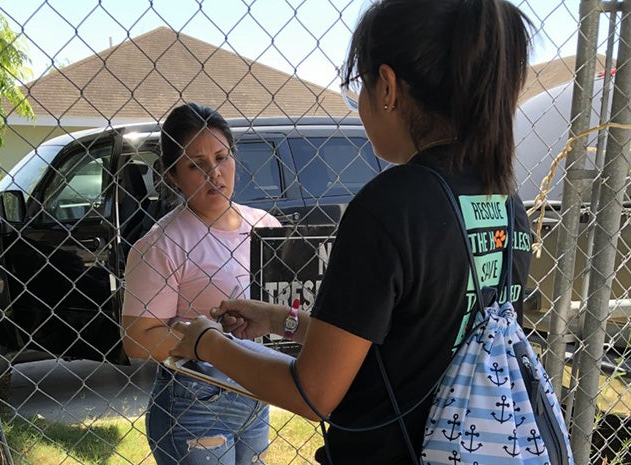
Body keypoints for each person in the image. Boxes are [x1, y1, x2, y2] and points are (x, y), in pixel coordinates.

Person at [169, 1, 535, 464]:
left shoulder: (390, 207)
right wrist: (279, 320)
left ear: (388, 87)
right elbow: (411, 342)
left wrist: (207, 342)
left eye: (359, 84)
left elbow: (313, 391)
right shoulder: (505, 201)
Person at [121, 102, 281, 465]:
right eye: (196, 165)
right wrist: (210, 341)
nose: (215, 174)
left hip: (256, 392)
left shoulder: (267, 229)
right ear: (174, 175)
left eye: (222, 157)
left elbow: (289, 307)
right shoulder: (162, 243)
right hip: (194, 402)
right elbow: (136, 336)